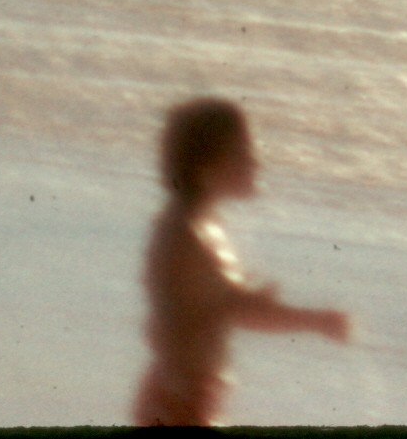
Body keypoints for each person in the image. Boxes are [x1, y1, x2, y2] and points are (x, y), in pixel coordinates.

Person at [131, 98, 351, 428]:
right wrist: (316, 320)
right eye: (242, 154)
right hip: (180, 403)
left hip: (182, 395)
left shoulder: (193, 225)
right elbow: (237, 310)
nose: (255, 163)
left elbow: (216, 306)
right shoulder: (189, 234)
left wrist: (246, 299)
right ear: (205, 168)